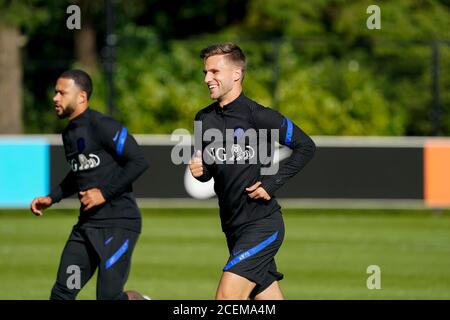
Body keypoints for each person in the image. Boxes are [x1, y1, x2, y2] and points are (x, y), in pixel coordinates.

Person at [189, 43, 316, 300]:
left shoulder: (258, 116)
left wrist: (271, 184)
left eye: (214, 72)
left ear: (236, 74)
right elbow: (209, 171)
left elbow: (306, 146)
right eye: (205, 72)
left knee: (227, 299)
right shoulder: (204, 119)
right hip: (232, 227)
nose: (206, 79)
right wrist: (200, 172)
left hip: (262, 224)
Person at [30, 69, 149, 300]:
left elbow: (139, 161)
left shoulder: (103, 125)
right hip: (86, 227)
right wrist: (52, 197)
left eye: (62, 93)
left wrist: (104, 193)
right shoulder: (68, 134)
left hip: (119, 224)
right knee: (63, 292)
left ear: (81, 97)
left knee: (107, 297)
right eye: (55, 92)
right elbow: (80, 173)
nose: (55, 98)